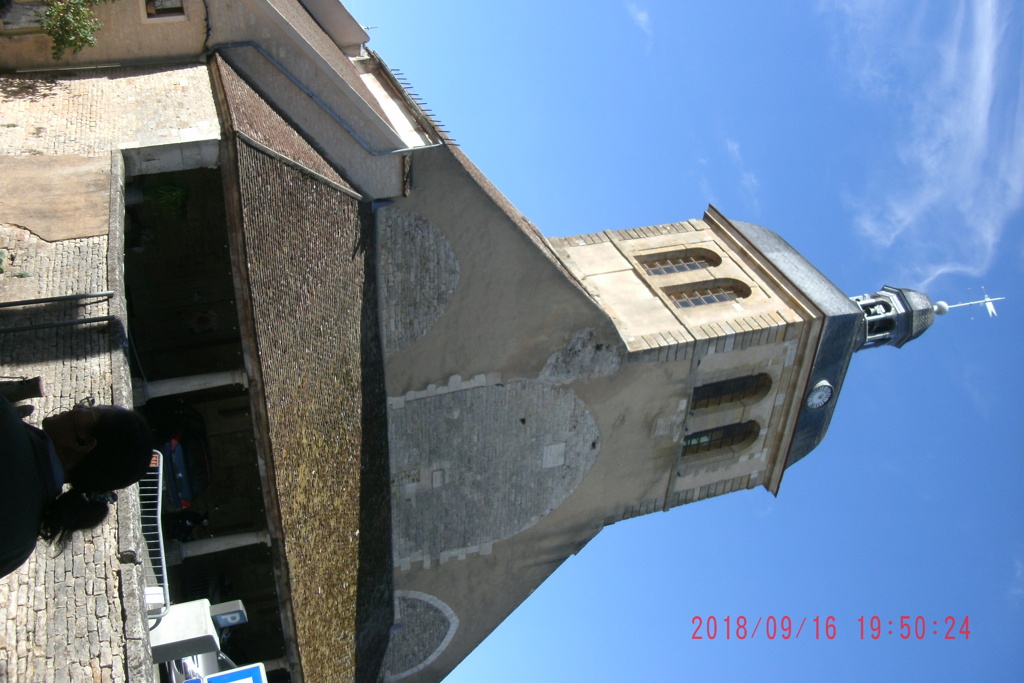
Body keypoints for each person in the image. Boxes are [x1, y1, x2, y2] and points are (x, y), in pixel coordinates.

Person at [1, 395, 153, 578]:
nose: (76, 406)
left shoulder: (5, 421)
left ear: (83, 443)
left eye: (88, 409)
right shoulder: (19, 548)